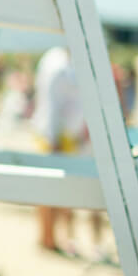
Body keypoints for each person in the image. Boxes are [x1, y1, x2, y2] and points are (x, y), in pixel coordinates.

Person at [29, 47, 86, 253]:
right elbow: (52, 105)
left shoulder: (57, 59)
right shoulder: (59, 65)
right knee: (51, 190)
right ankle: (47, 237)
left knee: (58, 190)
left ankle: (51, 237)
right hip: (55, 136)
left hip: (63, 135)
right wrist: (53, 139)